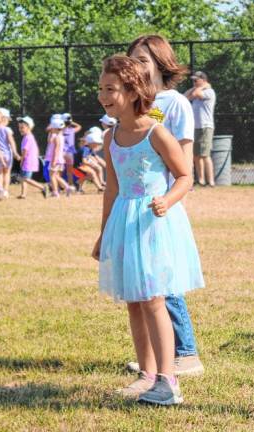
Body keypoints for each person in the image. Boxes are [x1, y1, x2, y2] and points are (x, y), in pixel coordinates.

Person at [91, 55, 203, 405]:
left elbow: (185, 176)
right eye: (101, 89)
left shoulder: (156, 132)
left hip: (153, 224)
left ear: (133, 90)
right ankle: (147, 374)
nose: (103, 96)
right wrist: (103, 232)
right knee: (134, 302)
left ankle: (169, 382)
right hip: (125, 222)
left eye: (110, 89)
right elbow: (111, 188)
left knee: (154, 300)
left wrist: (167, 201)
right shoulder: (111, 136)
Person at [127, 34, 204, 376]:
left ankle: (185, 354)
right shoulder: (137, 102)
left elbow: (184, 159)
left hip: (164, 202)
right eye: (133, 60)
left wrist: (172, 199)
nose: (138, 66)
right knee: (147, 280)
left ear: (160, 62)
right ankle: (159, 358)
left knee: (161, 279)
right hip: (138, 202)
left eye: (144, 60)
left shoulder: (175, 103)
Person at [185, 71, 216, 187]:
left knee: (205, 155)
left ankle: (211, 181)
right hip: (196, 127)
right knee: (197, 155)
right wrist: (195, 87)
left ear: (203, 80)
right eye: (193, 81)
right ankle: (201, 180)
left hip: (205, 126)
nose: (194, 83)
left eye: (196, 80)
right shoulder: (197, 91)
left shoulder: (209, 92)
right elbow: (185, 96)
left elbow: (197, 92)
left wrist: (203, 86)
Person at [0, 108, 21, 198]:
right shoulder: (7, 130)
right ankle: (5, 191)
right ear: (5, 119)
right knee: (7, 173)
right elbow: (11, 142)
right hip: (8, 154)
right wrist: (15, 153)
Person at [16, 116, 47, 199]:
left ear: (29, 127)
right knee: (24, 178)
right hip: (29, 161)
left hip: (28, 161)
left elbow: (25, 151)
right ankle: (23, 194)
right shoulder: (27, 137)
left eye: (22, 127)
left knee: (25, 179)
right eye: (19, 127)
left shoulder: (28, 137)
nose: (20, 129)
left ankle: (42, 187)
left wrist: (22, 160)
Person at [46, 117, 74, 197]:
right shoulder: (60, 137)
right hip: (60, 160)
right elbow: (49, 141)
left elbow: (56, 150)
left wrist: (54, 161)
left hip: (56, 160)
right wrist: (51, 133)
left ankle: (55, 192)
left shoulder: (56, 138)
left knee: (52, 176)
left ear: (55, 128)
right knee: (56, 176)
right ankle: (67, 187)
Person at [62, 113, 82, 187]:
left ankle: (59, 185)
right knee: (69, 171)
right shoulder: (72, 130)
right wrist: (71, 122)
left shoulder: (60, 130)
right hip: (70, 153)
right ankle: (70, 185)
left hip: (62, 153)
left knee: (60, 170)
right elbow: (79, 126)